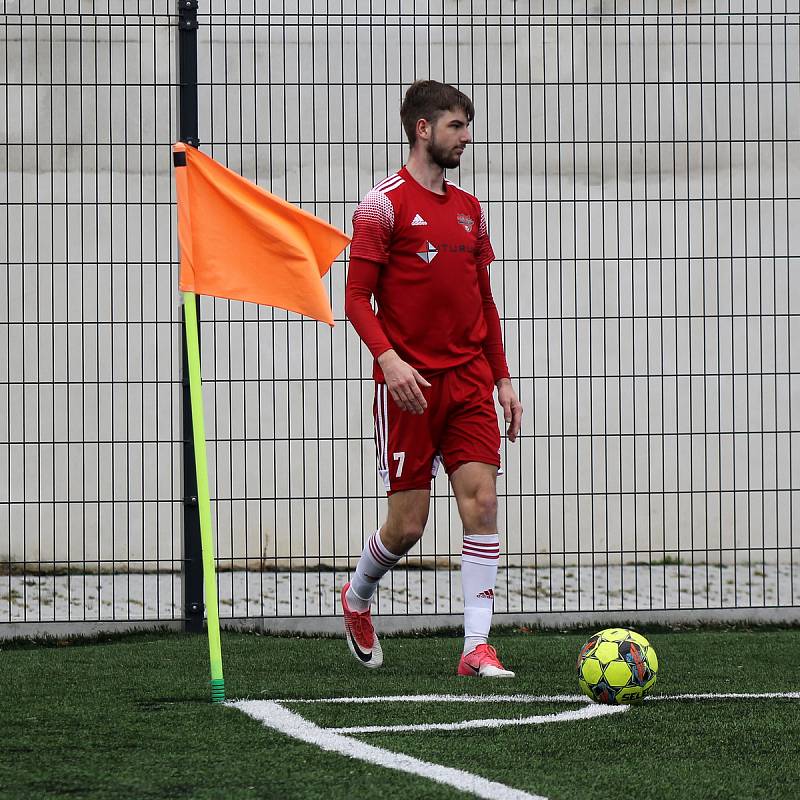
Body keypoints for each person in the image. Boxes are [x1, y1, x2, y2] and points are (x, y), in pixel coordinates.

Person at [342, 80, 523, 677]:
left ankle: (476, 647)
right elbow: (356, 298)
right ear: (424, 129)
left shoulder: (471, 211)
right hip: (410, 389)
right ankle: (359, 596)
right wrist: (389, 360)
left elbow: (485, 301)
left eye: (467, 126)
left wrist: (503, 380)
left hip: (470, 380)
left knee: (484, 502)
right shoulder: (382, 205)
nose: (466, 137)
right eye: (456, 126)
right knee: (408, 526)